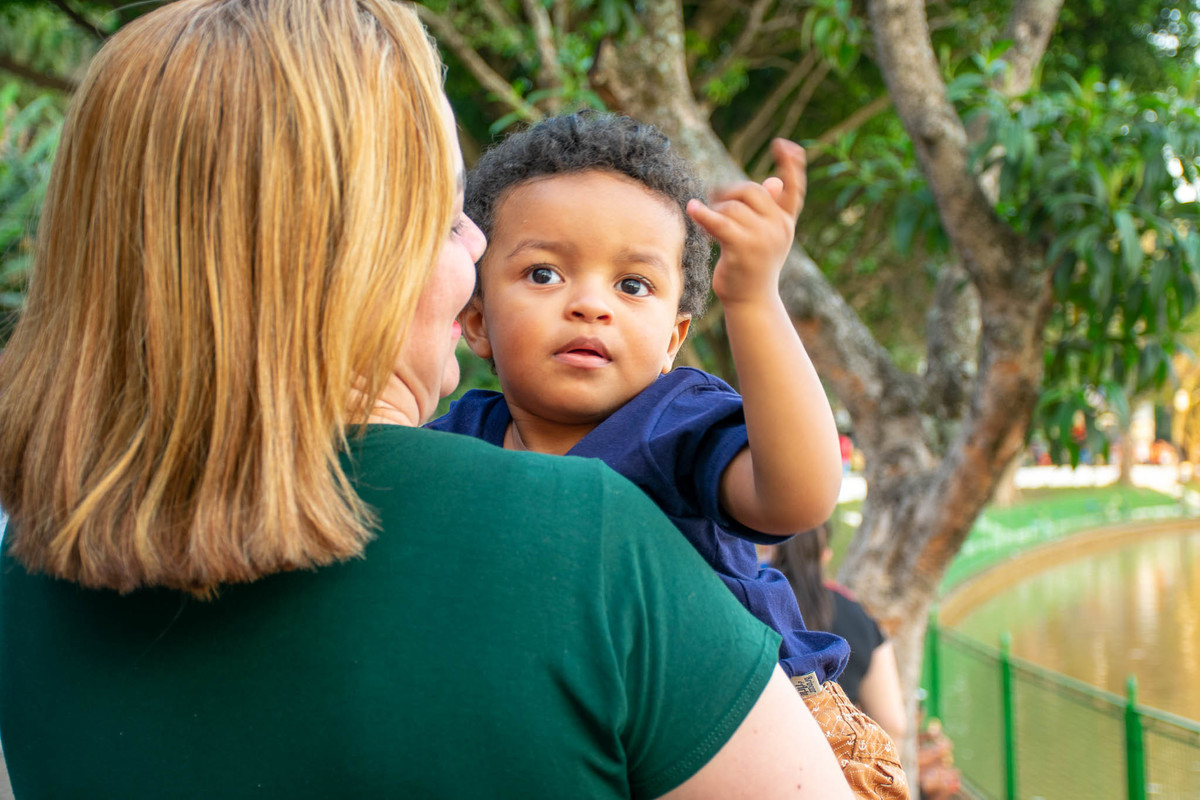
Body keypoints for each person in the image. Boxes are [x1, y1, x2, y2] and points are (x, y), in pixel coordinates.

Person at [0, 2, 854, 798]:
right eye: (447, 219)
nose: (477, 245)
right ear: (345, 254)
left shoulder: (28, 573)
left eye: (633, 283)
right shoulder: (583, 538)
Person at [429, 112, 908, 798]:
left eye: (632, 286)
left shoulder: (676, 424)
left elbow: (798, 495)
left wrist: (752, 300)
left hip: (763, 737)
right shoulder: (462, 439)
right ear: (476, 320)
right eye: (543, 273)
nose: (591, 304)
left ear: (673, 339)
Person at [773, 525, 907, 743]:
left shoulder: (748, 609)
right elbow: (893, 724)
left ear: (770, 550)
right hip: (839, 763)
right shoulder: (858, 615)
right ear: (825, 554)